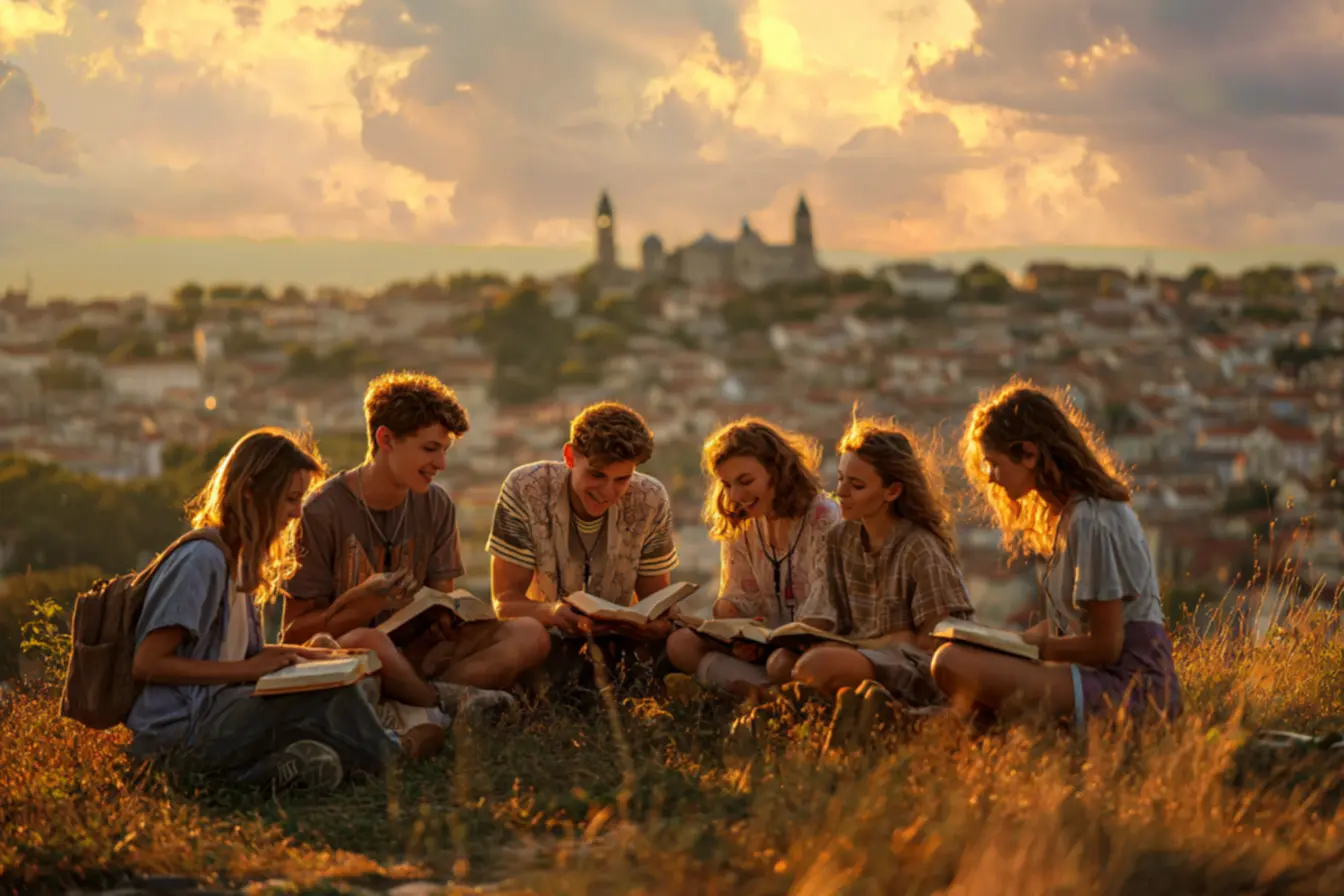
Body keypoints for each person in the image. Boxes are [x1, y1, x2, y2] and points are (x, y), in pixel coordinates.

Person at [127, 428, 400, 791]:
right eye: (290, 499)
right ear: (250, 492)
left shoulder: (240, 562)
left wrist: (310, 657)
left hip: (219, 711)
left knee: (347, 682)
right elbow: (148, 663)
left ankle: (285, 769)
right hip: (182, 730)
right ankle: (391, 759)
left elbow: (244, 656)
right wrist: (250, 668)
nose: (296, 513)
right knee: (329, 698)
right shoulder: (202, 561)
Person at [282, 371, 550, 723]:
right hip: (352, 657)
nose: (440, 464)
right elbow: (296, 635)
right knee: (369, 641)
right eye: (429, 449)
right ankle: (441, 707)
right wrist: (363, 603)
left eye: (444, 451)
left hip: (417, 657)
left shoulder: (436, 505)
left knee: (531, 633)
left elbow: (442, 601)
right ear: (386, 439)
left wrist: (447, 619)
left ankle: (420, 704)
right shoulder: (321, 512)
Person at [931, 381, 1183, 731]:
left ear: (1030, 454)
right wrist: (1006, 642)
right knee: (962, 662)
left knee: (951, 663)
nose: (990, 478)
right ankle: (955, 730)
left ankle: (942, 727)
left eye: (995, 464)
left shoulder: (1092, 519)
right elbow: (1075, 623)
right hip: (1096, 676)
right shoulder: (1072, 516)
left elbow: (1106, 647)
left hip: (1131, 688)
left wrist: (1035, 650)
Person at [775, 414, 975, 707]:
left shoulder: (919, 548)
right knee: (780, 662)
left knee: (817, 666)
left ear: (892, 491)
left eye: (856, 485)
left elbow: (936, 643)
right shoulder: (840, 539)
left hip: (913, 667)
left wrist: (875, 643)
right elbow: (832, 618)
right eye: (841, 479)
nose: (841, 492)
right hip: (858, 651)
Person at [487, 401, 679, 687]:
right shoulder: (526, 487)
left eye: (622, 479)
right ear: (570, 456)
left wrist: (651, 624)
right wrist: (552, 613)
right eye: (597, 475)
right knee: (529, 635)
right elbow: (505, 601)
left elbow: (655, 605)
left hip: (622, 648)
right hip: (548, 641)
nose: (607, 491)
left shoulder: (650, 498)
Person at [664, 418, 839, 700]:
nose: (735, 495)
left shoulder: (823, 517)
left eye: (745, 482)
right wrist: (732, 622)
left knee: (782, 664)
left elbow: (824, 613)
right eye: (727, 484)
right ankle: (770, 696)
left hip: (808, 649)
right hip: (763, 650)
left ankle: (750, 694)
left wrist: (776, 641)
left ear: (777, 470)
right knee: (680, 643)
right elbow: (735, 596)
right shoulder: (742, 523)